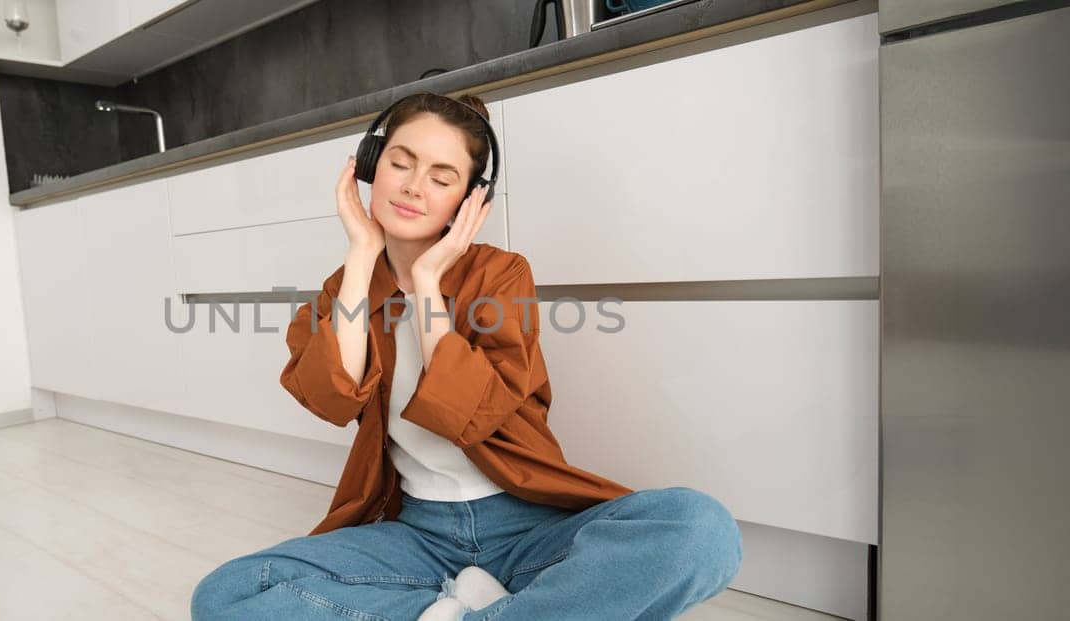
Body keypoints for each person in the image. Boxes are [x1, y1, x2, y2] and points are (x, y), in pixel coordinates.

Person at [191, 92, 741, 620]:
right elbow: (330, 397)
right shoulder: (347, 287)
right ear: (369, 166)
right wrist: (362, 253)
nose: (412, 188)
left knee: (701, 529)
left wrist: (427, 283)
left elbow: (471, 414)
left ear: (469, 198)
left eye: (442, 177)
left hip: (527, 523)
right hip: (418, 534)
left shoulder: (501, 274)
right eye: (400, 164)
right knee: (229, 593)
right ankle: (505, 608)